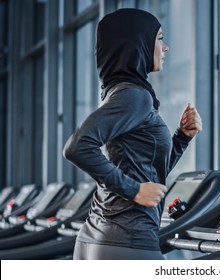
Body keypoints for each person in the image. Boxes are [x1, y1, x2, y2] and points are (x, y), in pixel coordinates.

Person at [63, 8, 202, 260]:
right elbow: (77, 147)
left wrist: (182, 137)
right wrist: (134, 190)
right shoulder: (134, 96)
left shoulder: (118, 93)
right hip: (126, 240)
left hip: (98, 236)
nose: (166, 47)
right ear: (138, 43)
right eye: (159, 38)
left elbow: (147, 170)